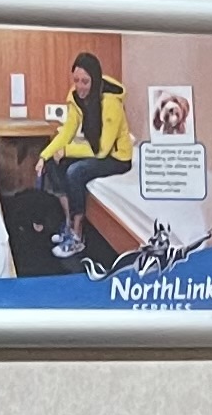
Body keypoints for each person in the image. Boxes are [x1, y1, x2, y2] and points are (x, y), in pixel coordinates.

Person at [32, 52, 137, 265]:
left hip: (117, 157)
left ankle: (78, 235)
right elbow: (67, 132)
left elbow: (102, 150)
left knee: (75, 172)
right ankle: (69, 223)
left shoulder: (111, 102)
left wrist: (68, 151)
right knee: (54, 164)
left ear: (95, 80)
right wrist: (44, 155)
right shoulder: (76, 98)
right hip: (97, 150)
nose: (80, 86)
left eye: (85, 82)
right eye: (76, 80)